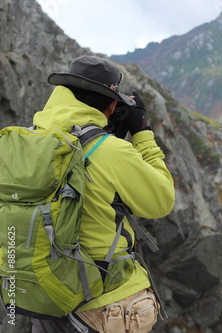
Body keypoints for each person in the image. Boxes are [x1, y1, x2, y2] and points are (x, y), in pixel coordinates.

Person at [30, 55, 175, 333]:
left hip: (46, 296)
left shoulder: (27, 142)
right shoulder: (108, 150)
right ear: (111, 104)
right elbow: (161, 201)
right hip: (105, 302)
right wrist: (141, 133)